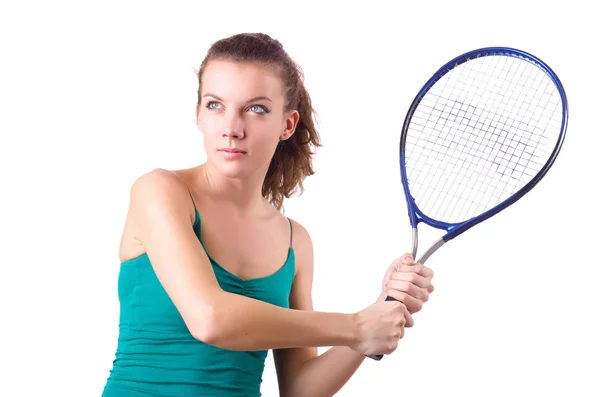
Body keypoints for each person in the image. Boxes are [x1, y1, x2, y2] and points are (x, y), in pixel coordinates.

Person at [101, 32, 435, 397]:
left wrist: (380, 311)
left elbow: (300, 388)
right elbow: (210, 319)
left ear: (287, 125)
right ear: (197, 114)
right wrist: (355, 327)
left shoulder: (295, 242)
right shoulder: (160, 191)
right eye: (215, 105)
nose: (232, 128)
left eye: (256, 109)